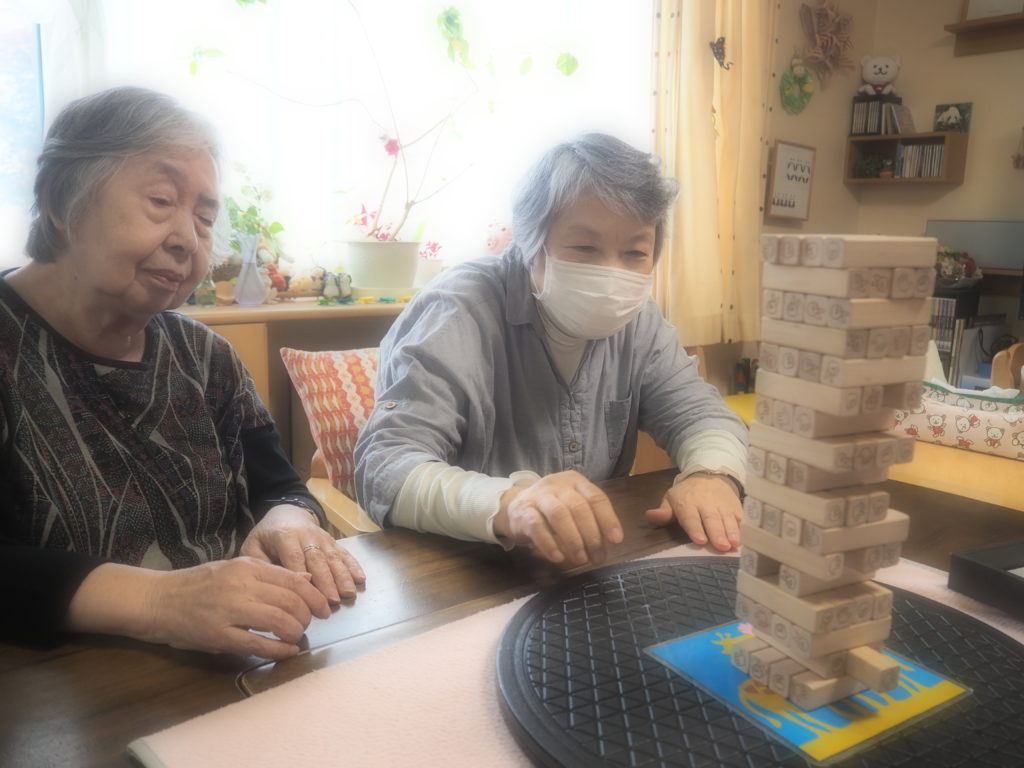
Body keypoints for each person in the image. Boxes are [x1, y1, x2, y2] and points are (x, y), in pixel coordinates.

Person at [1, 87, 364, 658]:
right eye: (161, 200)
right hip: (60, 686)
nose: (187, 240)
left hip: (235, 662)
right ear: (61, 203)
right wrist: (158, 601)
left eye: (204, 218)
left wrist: (289, 520)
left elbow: (280, 486)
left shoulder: (206, 356)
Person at [355, 133, 748, 567]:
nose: (612, 274)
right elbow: (385, 466)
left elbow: (700, 414)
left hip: (591, 562)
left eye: (635, 252)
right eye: (585, 247)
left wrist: (713, 474)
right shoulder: (459, 312)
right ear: (531, 245)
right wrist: (510, 504)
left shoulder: (639, 321)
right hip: (463, 567)